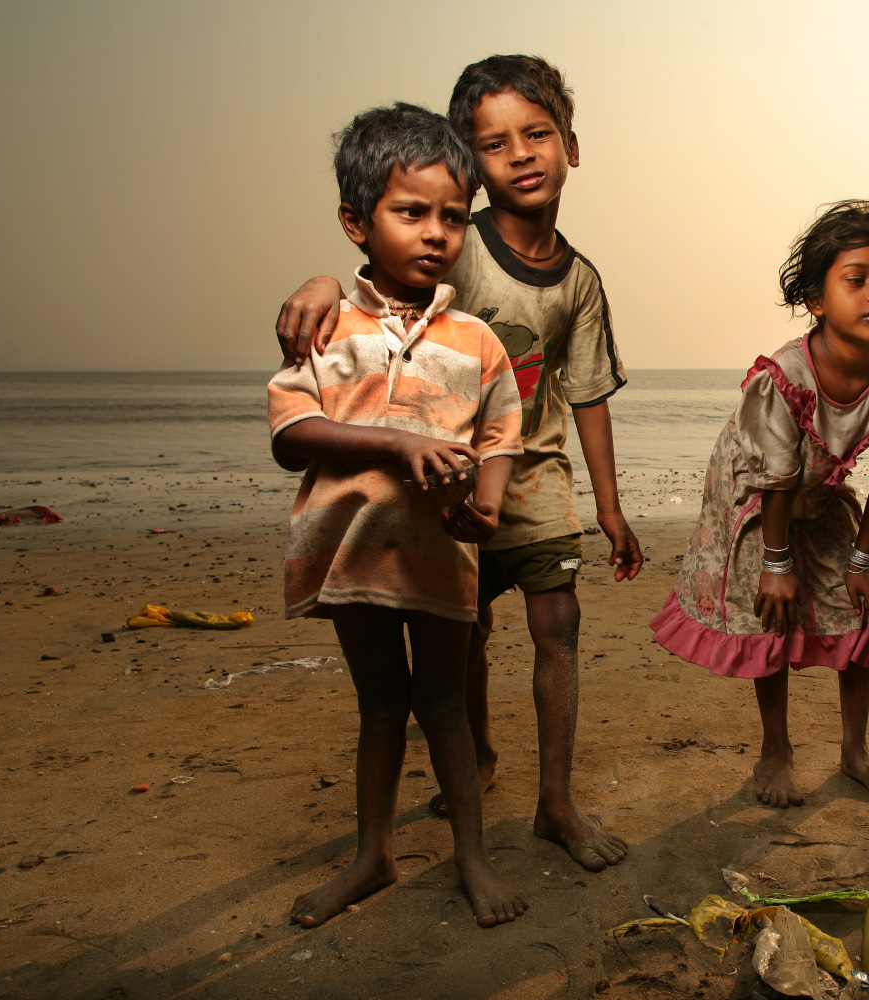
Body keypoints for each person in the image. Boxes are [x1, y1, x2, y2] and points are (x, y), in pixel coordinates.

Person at [272, 56, 640, 873]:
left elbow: (587, 396)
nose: (521, 155)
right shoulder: (450, 240)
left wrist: (610, 507)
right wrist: (321, 279)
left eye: (537, 134)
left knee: (559, 626)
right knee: (462, 633)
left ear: (570, 147)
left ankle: (556, 803)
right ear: (471, 169)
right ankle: (472, 756)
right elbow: (377, 284)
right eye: (495, 143)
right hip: (443, 482)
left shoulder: (580, 281)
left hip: (534, 475)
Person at [267, 103, 528, 927]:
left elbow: (498, 435)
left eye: (453, 216)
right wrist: (388, 442)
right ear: (356, 221)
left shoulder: (476, 339)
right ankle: (372, 856)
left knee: (446, 705)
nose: (435, 233)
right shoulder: (325, 326)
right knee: (381, 706)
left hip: (441, 559)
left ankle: (473, 859)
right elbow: (289, 431)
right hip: (354, 557)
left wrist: (486, 509)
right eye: (410, 211)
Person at [651, 201, 869, 808]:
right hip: (756, 487)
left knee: (858, 606)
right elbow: (774, 483)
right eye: (856, 279)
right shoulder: (782, 378)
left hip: (818, 487)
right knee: (773, 615)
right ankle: (776, 752)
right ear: (816, 299)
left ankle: (855, 751)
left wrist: (863, 562)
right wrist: (777, 565)